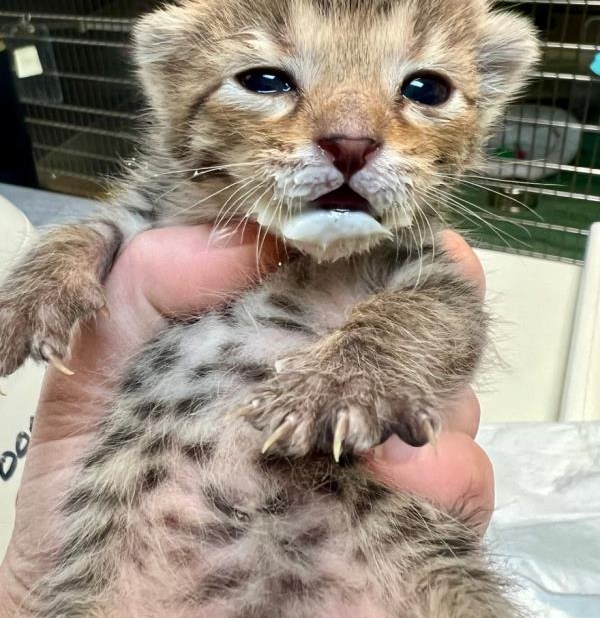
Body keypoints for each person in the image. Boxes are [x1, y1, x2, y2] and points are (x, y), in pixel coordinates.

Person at [0, 225, 493, 616]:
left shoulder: (407, 245)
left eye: (422, 92)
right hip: (131, 563)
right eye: (267, 88)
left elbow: (446, 305)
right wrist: (63, 258)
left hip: (367, 533)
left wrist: (370, 359)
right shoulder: (183, 218)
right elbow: (115, 231)